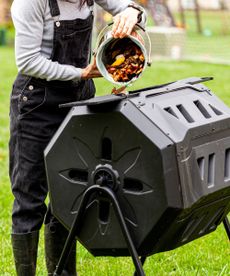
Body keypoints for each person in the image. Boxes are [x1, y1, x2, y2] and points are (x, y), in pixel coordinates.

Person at [9, 0, 146, 275]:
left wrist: (134, 13)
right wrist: (81, 72)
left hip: (78, 101)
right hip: (37, 104)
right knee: (29, 201)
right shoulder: (30, 3)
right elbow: (27, 61)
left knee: (68, 196)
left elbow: (131, 10)